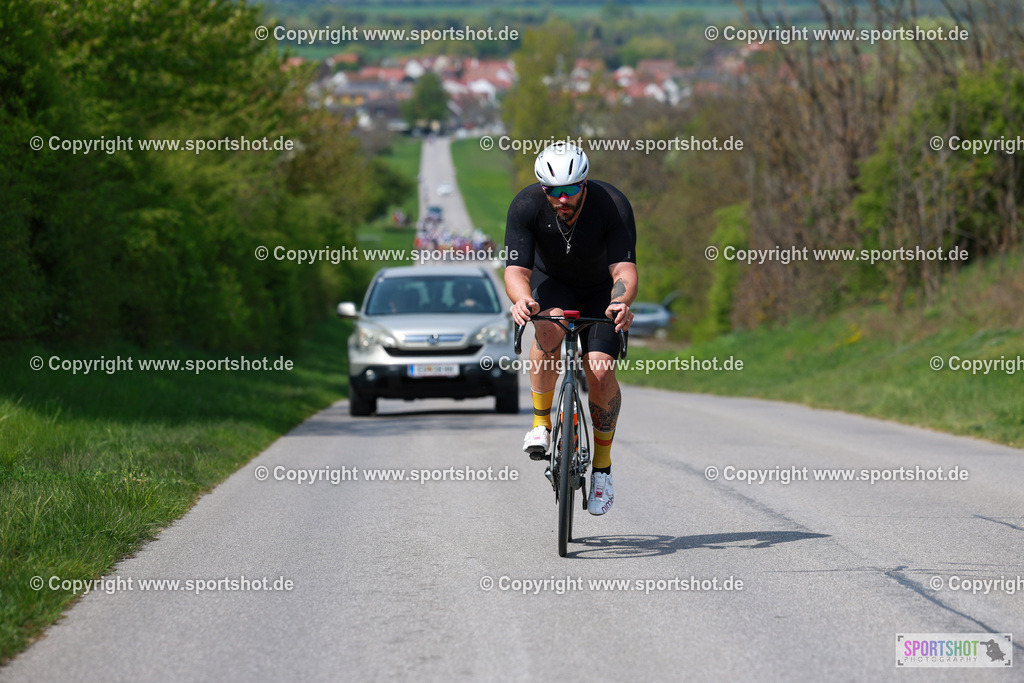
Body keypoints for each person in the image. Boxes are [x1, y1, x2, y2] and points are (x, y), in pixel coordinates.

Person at [503, 141, 637, 516]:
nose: (562, 199)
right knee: (548, 329)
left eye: (571, 189)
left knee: (599, 369)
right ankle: (541, 424)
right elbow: (516, 270)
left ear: (585, 184)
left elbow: (624, 270)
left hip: (600, 291)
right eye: (553, 191)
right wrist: (521, 299)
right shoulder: (526, 206)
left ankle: (603, 469)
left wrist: (621, 302)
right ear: (542, 189)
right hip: (552, 284)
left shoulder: (612, 205)